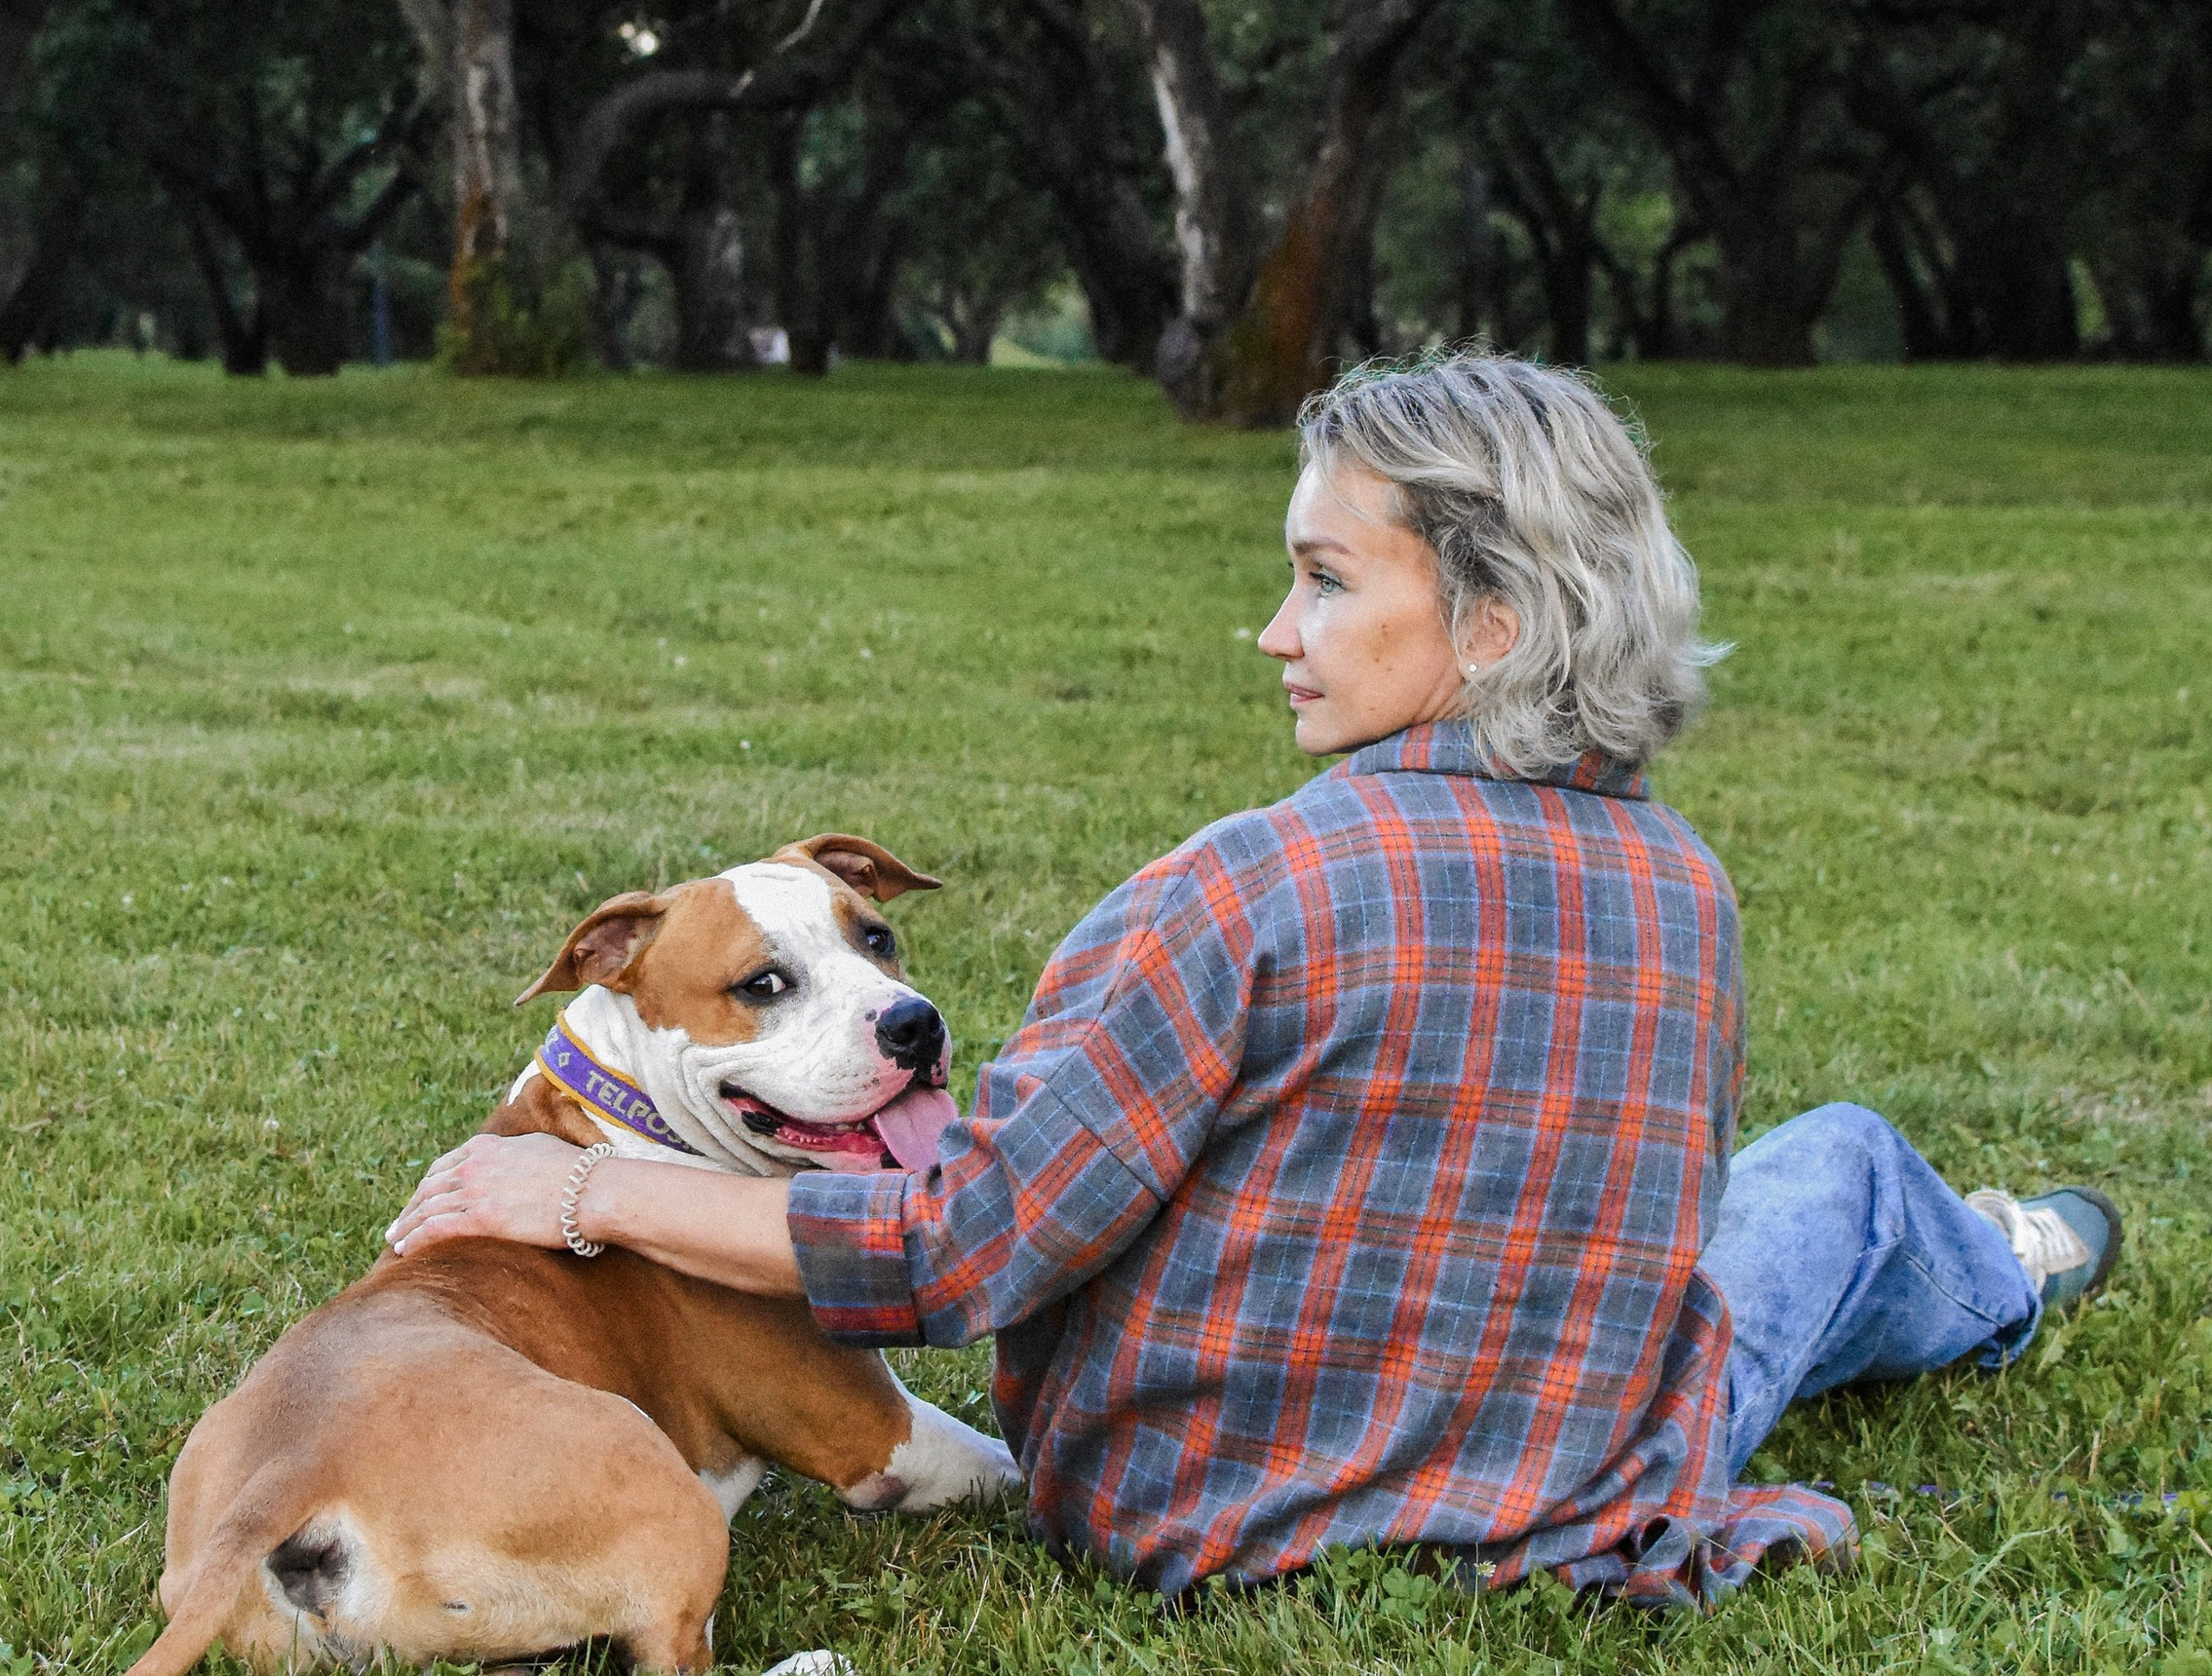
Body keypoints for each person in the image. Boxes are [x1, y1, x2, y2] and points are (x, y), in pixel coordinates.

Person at [384, 353, 2118, 1608]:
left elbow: (960, 1248)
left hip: (1188, 1510)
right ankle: (1996, 1256)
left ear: (1495, 622)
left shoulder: (1240, 887)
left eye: (1321, 579)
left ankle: (1973, 1245)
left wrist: (586, 1184)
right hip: (1551, 1485)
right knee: (1825, 1184)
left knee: (1822, 1191)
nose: (1274, 629)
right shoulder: (1690, 892)